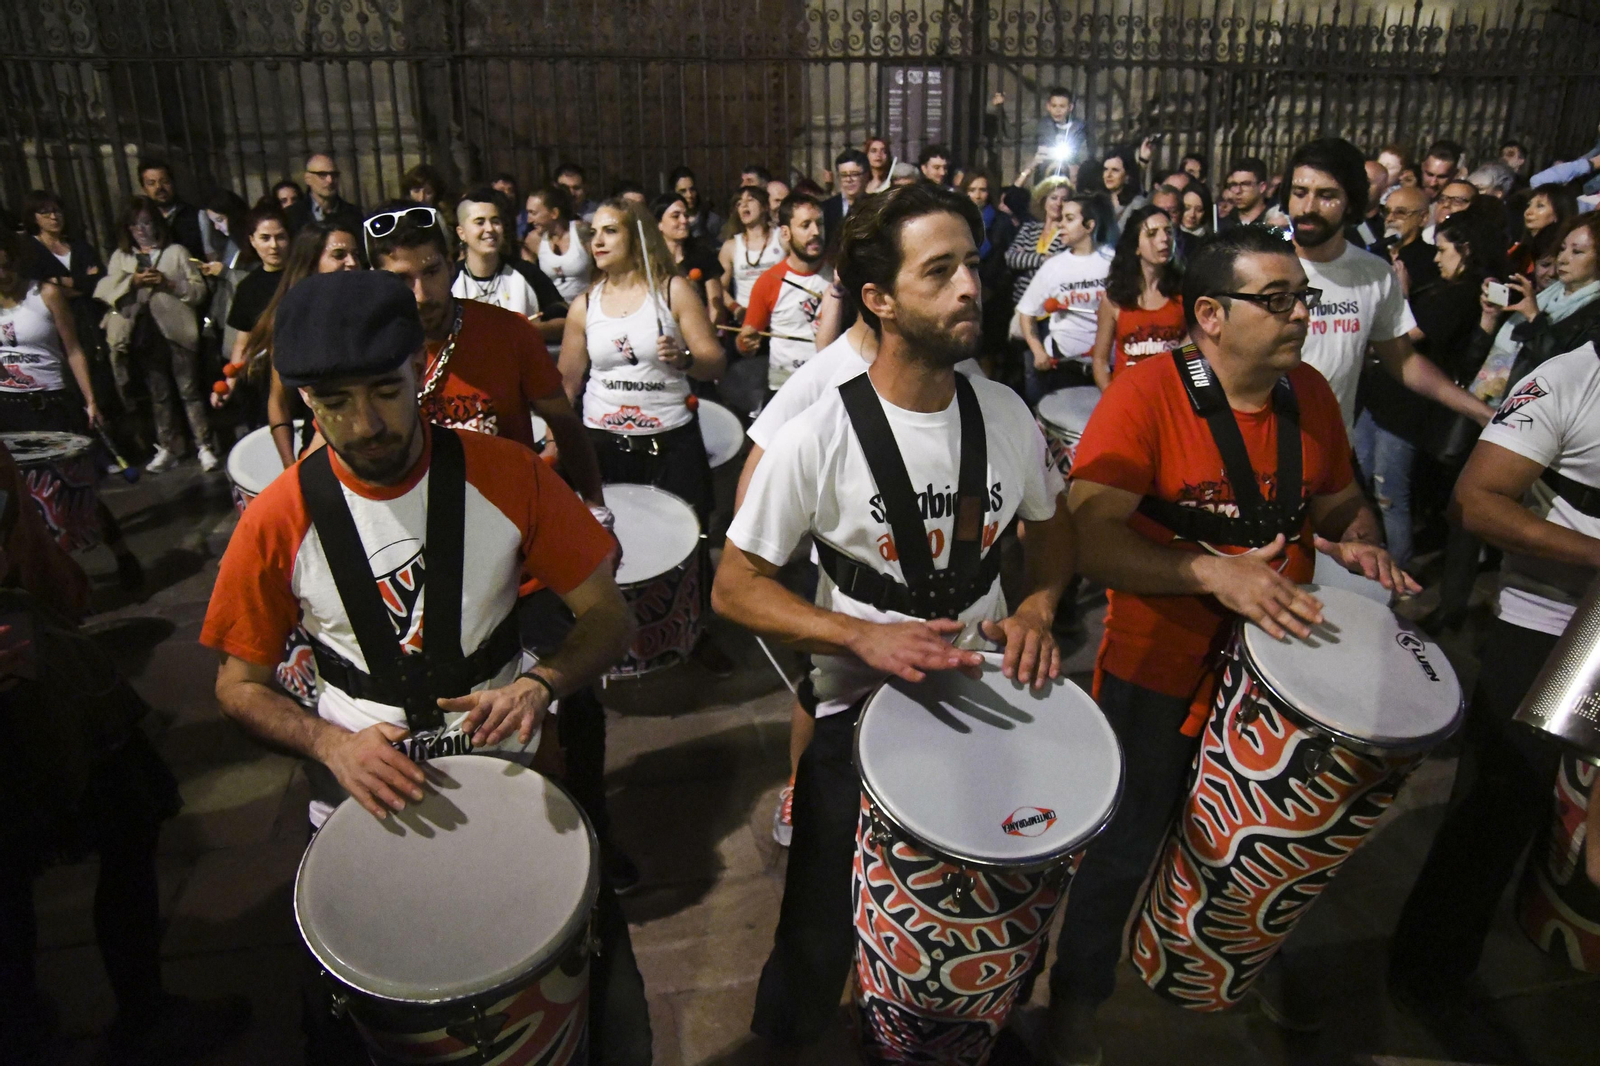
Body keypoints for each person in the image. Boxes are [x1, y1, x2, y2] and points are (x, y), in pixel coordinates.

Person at [200, 270, 651, 1066]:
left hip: (513, 780)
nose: (366, 423)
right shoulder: (278, 519)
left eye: (385, 390)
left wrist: (540, 683)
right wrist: (331, 746)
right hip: (363, 800)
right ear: (307, 401)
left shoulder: (508, 474)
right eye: (335, 401)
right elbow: (237, 688)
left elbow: (609, 617)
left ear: (423, 372)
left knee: (585, 998)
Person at [715, 182, 1071, 1052]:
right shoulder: (819, 432)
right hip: (857, 708)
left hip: (981, 696)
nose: (968, 290)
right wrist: (856, 634)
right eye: (939, 272)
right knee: (817, 931)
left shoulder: (1005, 414)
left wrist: (1035, 603)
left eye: (972, 268)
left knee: (986, 912)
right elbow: (735, 586)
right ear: (878, 297)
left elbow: (1053, 537)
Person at [1051, 226, 1414, 1060]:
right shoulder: (1146, 396)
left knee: (1269, 836)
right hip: (1158, 664)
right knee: (1125, 842)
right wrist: (1212, 575)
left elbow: (1335, 501)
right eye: (1278, 300)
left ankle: (1242, 962)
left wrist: (1359, 536)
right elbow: (1088, 539)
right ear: (1210, 315)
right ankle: (1079, 993)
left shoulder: (1310, 394)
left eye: (1304, 300)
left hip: (1279, 666)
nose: (1301, 317)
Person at [0, 438, 248, 1066]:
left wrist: (41, 556)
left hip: (31, 650)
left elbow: (19, 525)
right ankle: (27, 1030)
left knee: (127, 816)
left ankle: (137, 1013)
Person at [1388, 330, 1600, 1052]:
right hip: (1560, 623)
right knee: (1504, 799)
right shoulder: (1568, 381)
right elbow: (1475, 503)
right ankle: (1431, 976)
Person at [367, 205, 600, 502]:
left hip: (509, 513)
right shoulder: (369, 349)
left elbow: (566, 427)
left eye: (431, 271)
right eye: (402, 279)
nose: (421, 294)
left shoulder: (508, 333)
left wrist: (595, 507)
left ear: (451, 265)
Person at [1283, 138, 1490, 433]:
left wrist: (1482, 412)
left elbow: (1404, 360)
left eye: (1326, 195)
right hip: (1259, 460)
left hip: (1333, 454)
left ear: (1352, 202)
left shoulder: (1374, 274)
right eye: (1299, 193)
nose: (1308, 207)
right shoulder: (1258, 268)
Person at [1356, 202, 1508, 570]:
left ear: (1467, 250)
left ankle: (1397, 573)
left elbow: (1411, 336)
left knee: (1391, 495)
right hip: (1383, 401)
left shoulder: (1463, 295)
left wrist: (1401, 294)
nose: (1437, 258)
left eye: (1443, 250)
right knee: (1365, 484)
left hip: (1409, 409)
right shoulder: (1443, 287)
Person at [557, 197, 724, 514]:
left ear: (637, 237)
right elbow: (565, 386)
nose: (599, 241)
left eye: (610, 231)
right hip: (603, 446)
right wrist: (554, 445)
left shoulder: (673, 290)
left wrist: (684, 358)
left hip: (670, 445)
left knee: (678, 549)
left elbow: (715, 363)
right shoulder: (585, 304)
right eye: (594, 233)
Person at [0, 231, 143, 584]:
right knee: (28, 498)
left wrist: (90, 400)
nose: (2, 275)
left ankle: (121, 552)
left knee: (73, 487)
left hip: (50, 404)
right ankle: (62, 579)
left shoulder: (44, 294)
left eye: (4, 266)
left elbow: (74, 349)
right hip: (9, 409)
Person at [95, 196, 213, 473]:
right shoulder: (121, 257)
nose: (141, 230)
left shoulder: (176, 252)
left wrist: (169, 283)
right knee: (158, 394)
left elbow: (199, 291)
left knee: (189, 390)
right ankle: (168, 447)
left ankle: (204, 445)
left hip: (177, 331)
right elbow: (107, 292)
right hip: (143, 333)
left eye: (146, 223)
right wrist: (132, 282)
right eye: (134, 225)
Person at [255, 221, 364, 466]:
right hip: (320, 451)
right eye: (339, 255)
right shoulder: (292, 322)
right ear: (312, 263)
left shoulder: (369, 313)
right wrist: (289, 465)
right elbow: (279, 401)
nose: (352, 262)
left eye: (355, 254)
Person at [1016, 193, 1115, 403]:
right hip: (1064, 367)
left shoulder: (1113, 261)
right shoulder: (1054, 266)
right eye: (1062, 219)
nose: (1061, 225)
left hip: (1108, 367)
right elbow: (1026, 312)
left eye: (1069, 219)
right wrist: (1038, 352)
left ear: (1090, 225)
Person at [738, 194, 830, 399]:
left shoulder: (838, 274)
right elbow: (746, 342)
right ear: (786, 233)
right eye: (806, 225)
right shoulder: (769, 281)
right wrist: (745, 342)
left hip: (830, 386)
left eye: (820, 224)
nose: (816, 232)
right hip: (785, 388)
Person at [451, 187, 569, 342]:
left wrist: (528, 330)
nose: (490, 229)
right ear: (462, 233)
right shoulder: (450, 278)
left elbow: (567, 322)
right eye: (480, 222)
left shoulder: (526, 272)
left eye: (495, 221)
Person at [1088, 204, 1185, 389]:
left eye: (1168, 232)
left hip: (1171, 398)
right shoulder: (1115, 298)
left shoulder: (1184, 293)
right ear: (1136, 247)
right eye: (1152, 233)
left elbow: (1195, 354)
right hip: (1129, 399)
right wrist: (1113, 401)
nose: (1164, 239)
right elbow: (1100, 360)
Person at [21, 189, 104, 305]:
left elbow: (102, 282)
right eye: (45, 213)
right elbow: (38, 289)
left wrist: (59, 281)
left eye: (57, 211)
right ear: (33, 217)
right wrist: (84, 283)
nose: (54, 217)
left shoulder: (80, 246)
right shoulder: (29, 250)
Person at [653, 192, 725, 325]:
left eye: (685, 215)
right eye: (676, 216)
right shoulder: (651, 261)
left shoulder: (703, 255)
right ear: (659, 224)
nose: (684, 220)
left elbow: (716, 303)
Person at [719, 185, 784, 321]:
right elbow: (719, 288)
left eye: (750, 200)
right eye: (739, 203)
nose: (744, 205)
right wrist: (736, 309)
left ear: (765, 207)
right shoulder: (730, 247)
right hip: (747, 322)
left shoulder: (783, 238)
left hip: (781, 319)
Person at [526, 182, 594, 306]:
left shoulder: (581, 232)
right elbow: (530, 282)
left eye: (534, 213)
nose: (529, 220)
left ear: (554, 213)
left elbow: (603, 271)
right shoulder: (533, 240)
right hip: (556, 311)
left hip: (587, 306)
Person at [137, 158, 205, 259]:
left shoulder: (195, 215)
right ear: (144, 188)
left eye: (164, 181)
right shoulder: (139, 219)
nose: (159, 187)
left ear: (173, 183)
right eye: (151, 183)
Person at [285, 153, 363, 236]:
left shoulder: (354, 215)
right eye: (322, 175)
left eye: (334, 175)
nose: (330, 180)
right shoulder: (292, 216)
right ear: (308, 179)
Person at [1509, 186, 1578, 275]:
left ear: (1557, 214)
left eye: (1540, 206)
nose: (1528, 212)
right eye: (1529, 205)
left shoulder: (1560, 252)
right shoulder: (1518, 249)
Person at [1032, 86, 1094, 184]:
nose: (1057, 110)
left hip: (1071, 173)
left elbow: (1082, 152)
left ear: (1070, 107)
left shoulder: (1079, 127)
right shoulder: (1043, 125)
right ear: (1048, 106)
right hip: (1046, 174)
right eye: (1054, 106)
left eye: (1062, 106)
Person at [1347, 159, 1393, 256]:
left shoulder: (1385, 228)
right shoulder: (1339, 219)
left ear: (1384, 190)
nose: (1359, 187)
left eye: (1367, 183)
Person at [821, 148, 869, 240]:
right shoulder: (826, 208)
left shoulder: (876, 205)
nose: (849, 180)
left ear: (866, 176)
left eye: (854, 174)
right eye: (844, 175)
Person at [668, 166, 722, 244]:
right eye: (683, 191)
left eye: (692, 189)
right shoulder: (669, 222)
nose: (689, 195)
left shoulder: (712, 221)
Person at [1219, 157, 1271, 230]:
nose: (1238, 191)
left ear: (1262, 187)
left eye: (1245, 184)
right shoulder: (1223, 225)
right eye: (1234, 185)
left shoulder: (1274, 221)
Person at [1100, 148, 1145, 230]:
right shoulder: (1097, 201)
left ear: (1127, 176)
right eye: (1106, 169)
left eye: (1115, 170)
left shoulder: (1137, 204)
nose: (1108, 175)